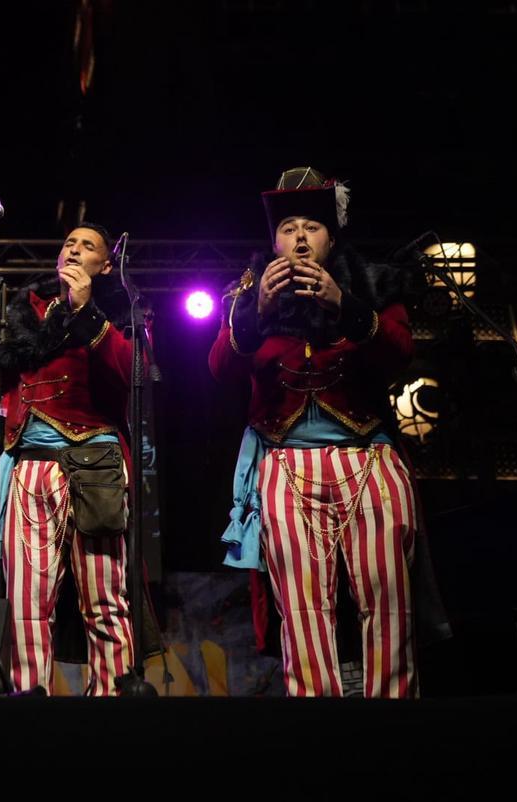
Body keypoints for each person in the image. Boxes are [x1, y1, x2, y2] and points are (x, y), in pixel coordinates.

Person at [208, 167, 422, 697]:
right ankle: (314, 721)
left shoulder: (372, 282)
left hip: (366, 457)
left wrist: (344, 306)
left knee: (386, 597)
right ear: (273, 240)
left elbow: (401, 352)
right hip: (285, 463)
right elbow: (220, 371)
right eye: (288, 228)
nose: (300, 237)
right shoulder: (246, 293)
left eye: (312, 227)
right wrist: (254, 312)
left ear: (332, 235)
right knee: (301, 606)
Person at [0, 223, 137, 696]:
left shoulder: (119, 312)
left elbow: (130, 373)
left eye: (87, 246)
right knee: (26, 598)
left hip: (95, 463)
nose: (74, 249)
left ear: (105, 265)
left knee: (103, 596)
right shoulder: (29, 311)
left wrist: (87, 312)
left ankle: (112, 693)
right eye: (68, 243)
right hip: (32, 465)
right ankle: (28, 695)